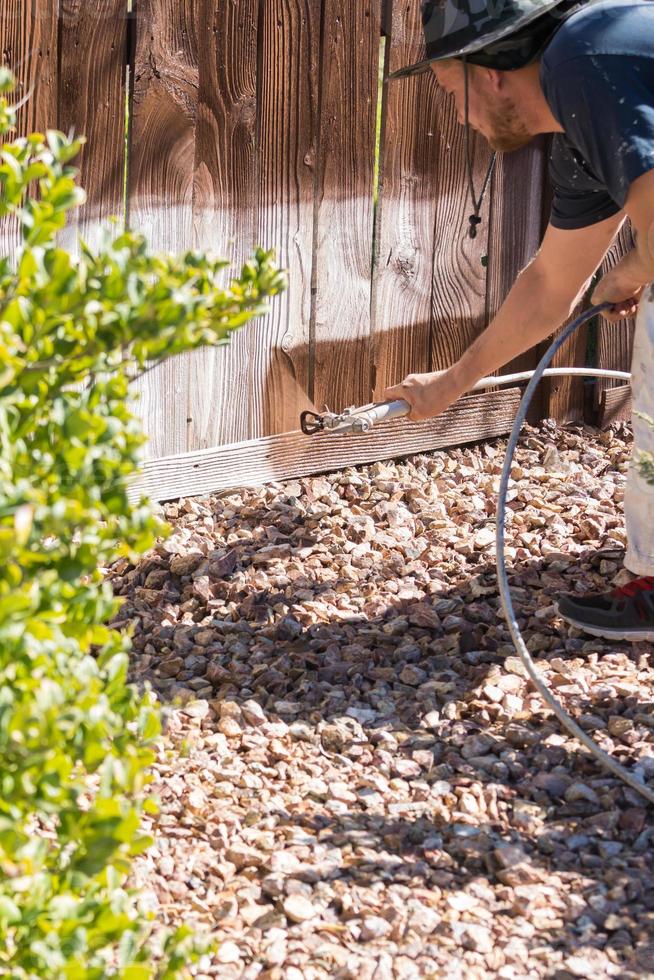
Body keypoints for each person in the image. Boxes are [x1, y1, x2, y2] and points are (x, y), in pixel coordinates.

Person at [384, 0, 654, 643]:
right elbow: (549, 285)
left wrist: (639, 267)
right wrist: (450, 384)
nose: (459, 116)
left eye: (454, 90)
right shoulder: (580, 123)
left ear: (492, 71)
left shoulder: (580, 58)